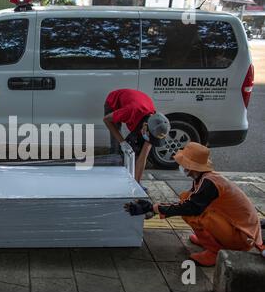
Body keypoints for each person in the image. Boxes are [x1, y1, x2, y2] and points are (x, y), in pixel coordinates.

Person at [125, 142, 263, 266]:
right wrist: (155, 208)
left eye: (183, 163)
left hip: (243, 237)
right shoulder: (204, 178)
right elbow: (186, 202)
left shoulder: (209, 183)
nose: (181, 165)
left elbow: (190, 208)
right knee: (186, 198)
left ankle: (215, 252)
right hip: (241, 229)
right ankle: (210, 241)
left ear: (192, 167)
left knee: (196, 215)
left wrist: (154, 208)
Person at [103, 88, 170, 184]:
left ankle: (134, 182)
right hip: (113, 103)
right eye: (149, 138)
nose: (149, 141)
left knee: (137, 151)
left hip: (136, 106)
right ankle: (112, 181)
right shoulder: (130, 111)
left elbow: (143, 157)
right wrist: (122, 142)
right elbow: (106, 119)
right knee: (117, 147)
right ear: (145, 127)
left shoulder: (154, 124)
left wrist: (137, 186)